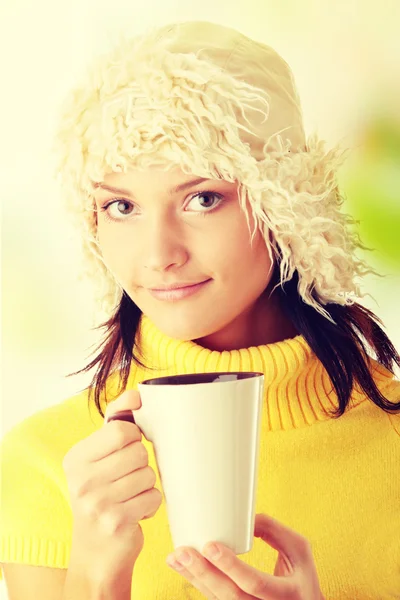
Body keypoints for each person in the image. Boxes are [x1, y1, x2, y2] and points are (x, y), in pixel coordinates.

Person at [1, 20, 399, 600]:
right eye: (121, 206)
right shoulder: (44, 464)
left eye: (203, 198)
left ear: (283, 202)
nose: (160, 255)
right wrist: (93, 575)